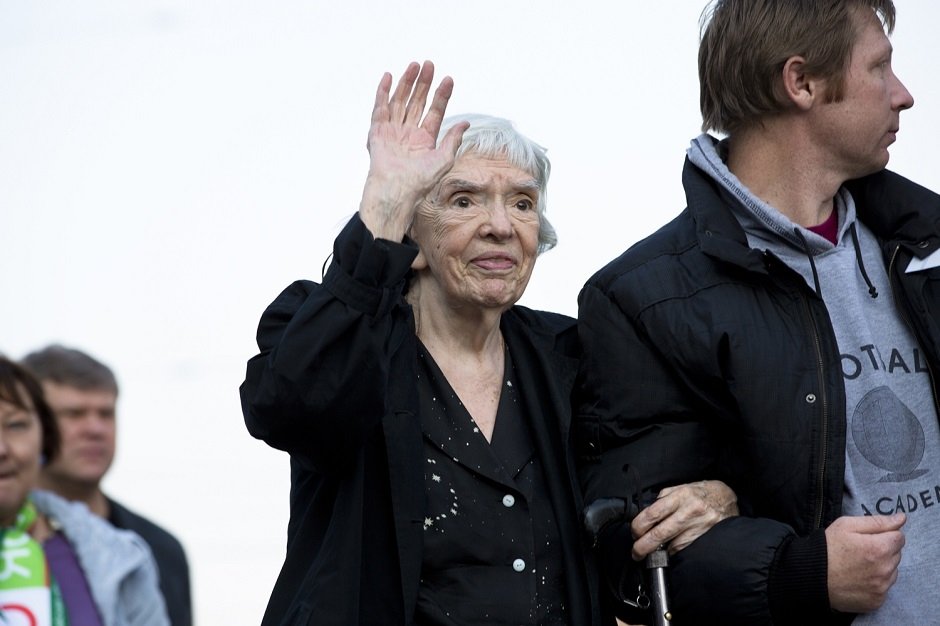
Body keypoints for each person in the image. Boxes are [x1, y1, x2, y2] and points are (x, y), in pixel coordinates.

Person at [240, 60, 737, 625]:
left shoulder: (572, 357)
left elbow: (655, 472)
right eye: (464, 200)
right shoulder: (334, 329)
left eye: (523, 203)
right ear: (413, 240)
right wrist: (383, 206)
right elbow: (291, 408)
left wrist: (719, 495)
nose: (501, 224)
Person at [575, 0, 940, 624]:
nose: (903, 95)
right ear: (801, 82)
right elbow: (637, 553)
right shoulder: (644, 299)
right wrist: (798, 571)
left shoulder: (928, 246)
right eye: (879, 68)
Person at [21, 345, 192, 626]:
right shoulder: (10, 537)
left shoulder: (161, 549)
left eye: (106, 413)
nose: (95, 429)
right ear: (34, 425)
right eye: (74, 414)